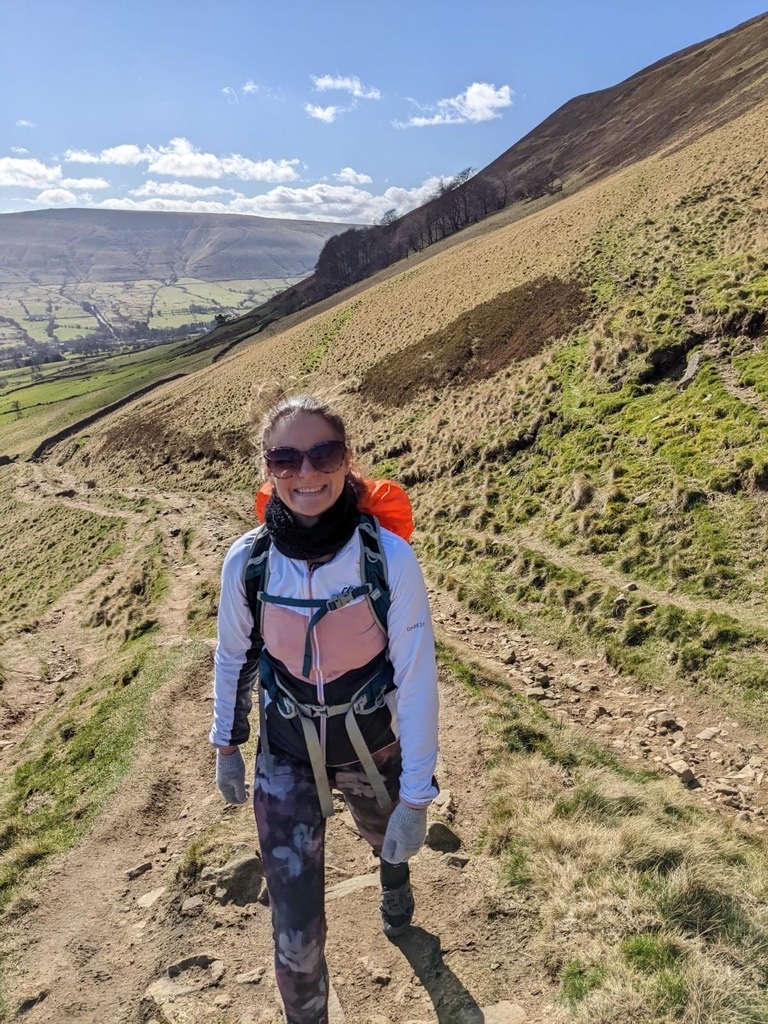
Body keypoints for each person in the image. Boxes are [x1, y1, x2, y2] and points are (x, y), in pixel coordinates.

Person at [209, 393, 439, 1024]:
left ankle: (392, 878)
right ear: (267, 467)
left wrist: (417, 798)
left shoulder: (388, 558)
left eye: (323, 453)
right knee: (294, 921)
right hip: (285, 753)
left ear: (348, 459)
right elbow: (233, 657)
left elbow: (417, 677)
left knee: (386, 840)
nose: (306, 473)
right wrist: (226, 746)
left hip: (372, 743)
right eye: (286, 458)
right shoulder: (248, 562)